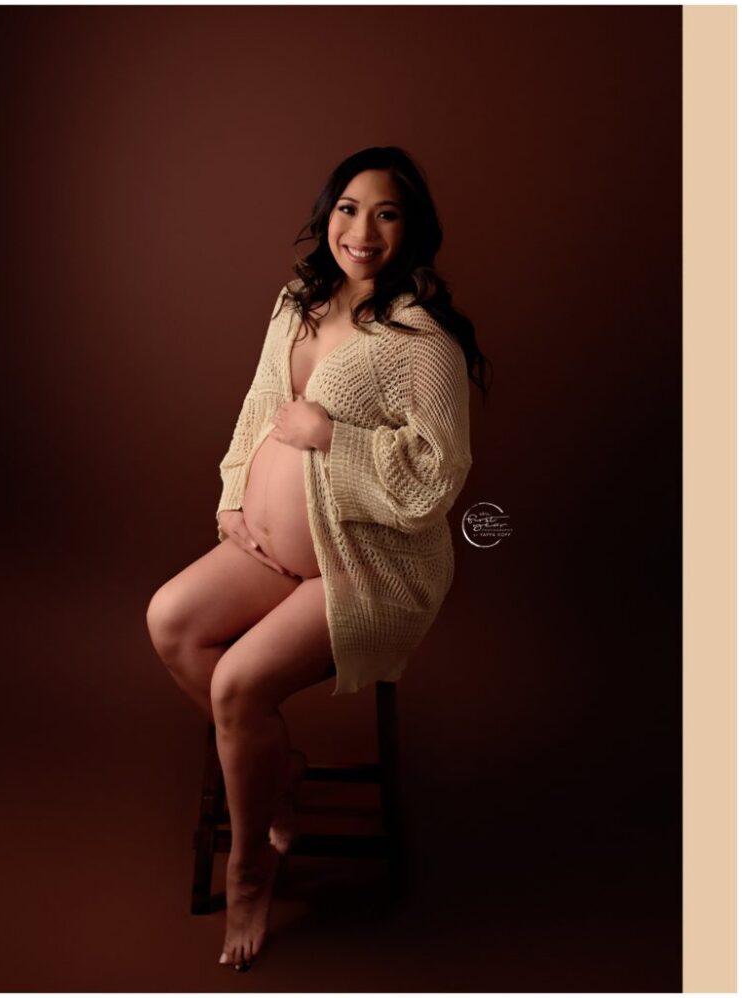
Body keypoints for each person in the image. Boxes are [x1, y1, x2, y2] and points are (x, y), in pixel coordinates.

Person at [146, 146, 490, 972]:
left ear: (411, 230)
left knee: (235, 684)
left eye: (387, 213)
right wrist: (234, 493)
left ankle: (251, 874)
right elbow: (260, 404)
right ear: (327, 213)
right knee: (170, 622)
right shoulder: (297, 303)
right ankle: (278, 767)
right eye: (348, 208)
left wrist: (334, 435)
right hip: (275, 552)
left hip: (370, 563)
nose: (362, 230)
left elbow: (439, 477)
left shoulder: (423, 340)